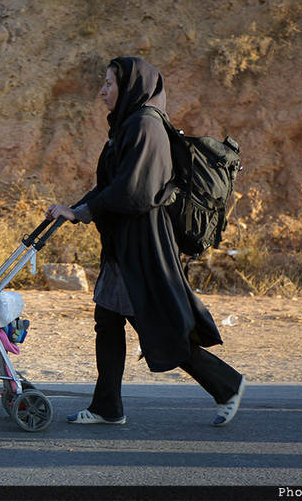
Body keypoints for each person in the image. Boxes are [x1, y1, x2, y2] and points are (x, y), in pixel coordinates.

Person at [45, 57, 246, 427]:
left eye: (108, 84)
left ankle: (227, 384)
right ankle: (107, 406)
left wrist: (84, 212)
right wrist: (73, 209)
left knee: (156, 324)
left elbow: (134, 191)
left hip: (143, 243)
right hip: (125, 242)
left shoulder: (145, 126)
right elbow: (112, 185)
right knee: (108, 320)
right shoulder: (128, 126)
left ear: (131, 87)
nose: (102, 91)